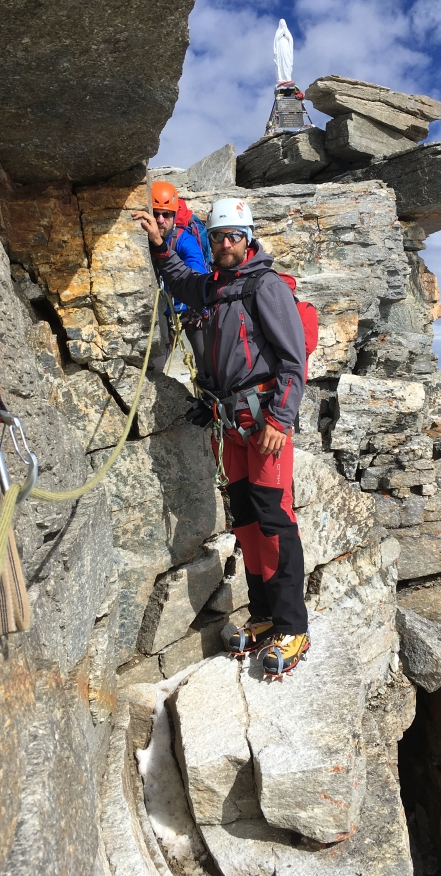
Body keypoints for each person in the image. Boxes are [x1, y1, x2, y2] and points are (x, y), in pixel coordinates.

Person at [132, 197, 310, 677]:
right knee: (248, 524)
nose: (225, 244)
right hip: (231, 425)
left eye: (233, 236)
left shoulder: (265, 287)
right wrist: (161, 245)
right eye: (217, 237)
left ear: (247, 238)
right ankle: (265, 615)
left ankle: (293, 624)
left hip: (264, 425)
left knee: (276, 522)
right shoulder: (213, 286)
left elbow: (294, 361)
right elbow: (180, 280)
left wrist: (280, 420)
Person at [150, 181, 208, 372]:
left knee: (207, 364)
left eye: (165, 215)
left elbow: (197, 275)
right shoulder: (144, 239)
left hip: (189, 311)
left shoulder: (184, 240)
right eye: (155, 213)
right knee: (154, 367)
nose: (160, 220)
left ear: (174, 217)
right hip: (165, 313)